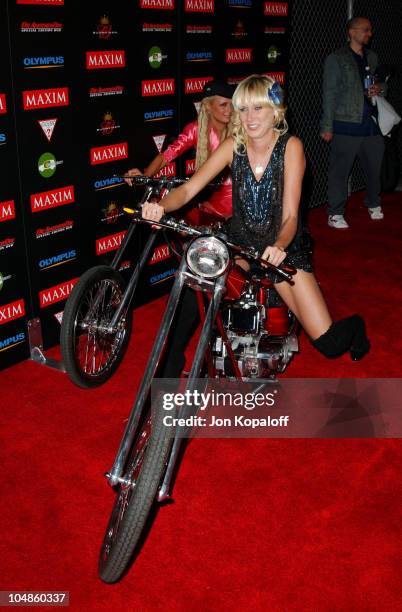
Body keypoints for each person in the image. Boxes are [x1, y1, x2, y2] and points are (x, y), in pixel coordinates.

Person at [143, 74, 370, 373]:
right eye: (243, 109)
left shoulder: (291, 147)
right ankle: (170, 368)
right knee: (196, 276)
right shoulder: (232, 146)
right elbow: (187, 190)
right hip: (241, 241)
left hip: (283, 248)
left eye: (258, 108)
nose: (249, 118)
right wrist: (160, 207)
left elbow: (290, 216)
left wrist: (278, 245)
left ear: (275, 111)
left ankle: (356, 330)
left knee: (328, 344)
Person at [126, 79, 235, 219]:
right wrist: (145, 176)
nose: (229, 110)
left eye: (232, 105)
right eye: (223, 105)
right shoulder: (195, 129)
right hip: (211, 203)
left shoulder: (240, 129)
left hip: (239, 202)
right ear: (208, 106)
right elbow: (166, 156)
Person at [320, 16, 386, 229]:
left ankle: (373, 203)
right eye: (366, 30)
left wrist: (380, 88)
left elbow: (379, 84)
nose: (370, 33)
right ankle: (335, 213)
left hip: (371, 123)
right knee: (340, 170)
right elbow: (329, 93)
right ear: (352, 31)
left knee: (375, 167)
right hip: (346, 123)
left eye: (370, 30)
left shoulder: (372, 56)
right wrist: (327, 125)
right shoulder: (336, 58)